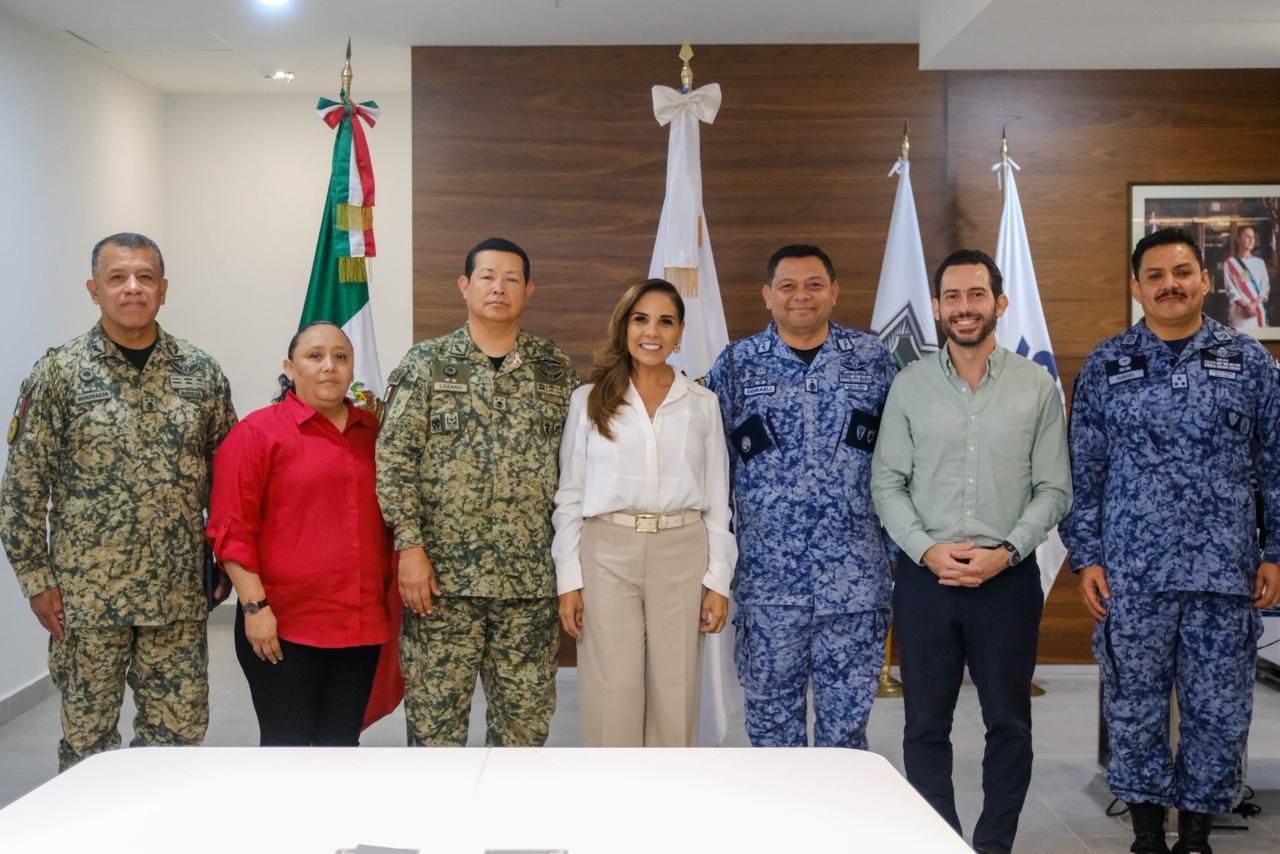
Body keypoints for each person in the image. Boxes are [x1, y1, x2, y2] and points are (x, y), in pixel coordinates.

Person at [1061, 227, 1280, 854]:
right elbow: (1084, 470)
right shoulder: (1107, 364)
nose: (1170, 285)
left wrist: (1275, 551)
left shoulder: (1250, 362)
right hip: (1133, 576)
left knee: (1218, 711)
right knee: (1134, 709)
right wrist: (1087, 556)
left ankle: (1198, 837)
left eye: (1182, 272)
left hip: (1225, 574)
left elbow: (1276, 465)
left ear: (1205, 281)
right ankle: (1148, 835)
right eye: (1155, 276)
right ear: (1136, 287)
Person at [0, 232, 236, 770]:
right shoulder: (58, 374)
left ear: (163, 289)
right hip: (86, 600)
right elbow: (22, 489)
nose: (133, 288)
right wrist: (36, 580)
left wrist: (227, 558)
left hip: (177, 595)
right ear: (94, 290)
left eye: (145, 277)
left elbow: (230, 478)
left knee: (177, 742)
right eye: (117, 278)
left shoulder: (200, 372)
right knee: (88, 748)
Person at [871, 248, 1071, 854]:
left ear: (999, 303)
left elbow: (1054, 488)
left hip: (1006, 580)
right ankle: (940, 841)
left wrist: (1007, 551)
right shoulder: (909, 385)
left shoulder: (1036, 386)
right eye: (953, 296)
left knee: (1008, 722)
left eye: (976, 294)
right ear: (936, 307)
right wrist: (927, 551)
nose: (965, 307)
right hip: (926, 580)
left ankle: (993, 846)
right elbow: (887, 483)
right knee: (924, 726)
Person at [376, 236, 579, 747]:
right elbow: (394, 458)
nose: (499, 288)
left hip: (529, 585)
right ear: (464, 286)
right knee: (435, 734)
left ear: (529, 290)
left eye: (512, 279)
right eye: (487, 277)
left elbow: (577, 471)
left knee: (523, 733)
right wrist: (409, 547)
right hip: (441, 584)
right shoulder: (426, 363)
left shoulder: (555, 369)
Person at [703, 244, 897, 749]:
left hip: (854, 586)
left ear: (834, 292)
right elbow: (709, 467)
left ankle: (839, 806)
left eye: (814, 284)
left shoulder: (873, 360)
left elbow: (904, 459)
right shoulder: (736, 365)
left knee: (845, 735)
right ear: (767, 296)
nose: (801, 296)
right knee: (771, 734)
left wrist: (897, 555)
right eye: (787, 286)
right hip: (768, 586)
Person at [552, 279, 735, 746]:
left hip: (682, 550)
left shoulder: (702, 404)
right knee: (613, 687)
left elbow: (718, 497)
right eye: (641, 319)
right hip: (606, 551)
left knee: (676, 688)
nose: (652, 332)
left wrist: (718, 580)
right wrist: (568, 578)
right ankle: (615, 788)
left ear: (680, 333)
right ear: (624, 326)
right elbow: (570, 494)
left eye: (665, 321)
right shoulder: (589, 399)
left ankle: (669, 789)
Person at [206, 321, 392, 746]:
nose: (329, 366)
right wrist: (255, 609)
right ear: (289, 368)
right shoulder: (256, 433)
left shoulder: (375, 434)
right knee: (286, 750)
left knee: (340, 747)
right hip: (283, 626)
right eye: (315, 356)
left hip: (360, 625)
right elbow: (231, 531)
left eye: (341, 357)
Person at [1223, 224, 1270, 330]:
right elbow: (1230, 289)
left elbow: (1265, 287)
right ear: (1238, 239)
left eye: (1253, 237)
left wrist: (1254, 305)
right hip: (1239, 313)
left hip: (1256, 311)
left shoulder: (1260, 263)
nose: (1251, 240)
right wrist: (1245, 306)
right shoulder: (1230, 263)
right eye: (1247, 236)